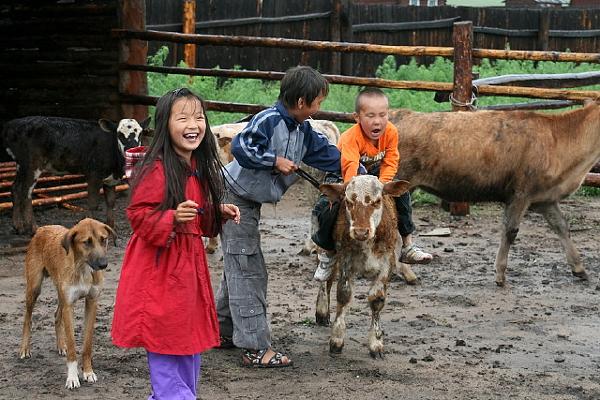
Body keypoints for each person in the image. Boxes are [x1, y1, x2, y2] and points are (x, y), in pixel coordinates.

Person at [111, 88, 240, 400]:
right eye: (182, 118)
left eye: (198, 117)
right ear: (165, 125)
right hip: (159, 272)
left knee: (187, 340)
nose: (192, 124)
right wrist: (170, 218)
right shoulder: (155, 168)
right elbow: (138, 215)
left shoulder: (197, 169)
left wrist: (214, 212)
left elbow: (198, 221)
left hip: (187, 271)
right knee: (166, 338)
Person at [216, 66, 341, 368]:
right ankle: (255, 348)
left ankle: (220, 330)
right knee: (249, 268)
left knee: (238, 261)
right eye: (318, 102)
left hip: (249, 200)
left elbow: (330, 155)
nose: (319, 108)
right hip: (233, 198)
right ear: (301, 102)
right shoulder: (268, 120)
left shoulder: (303, 131)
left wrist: (360, 171)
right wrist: (274, 161)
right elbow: (241, 146)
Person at [312, 87, 432, 282]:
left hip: (375, 176)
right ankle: (326, 253)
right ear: (357, 117)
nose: (378, 121)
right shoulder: (351, 138)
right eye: (370, 116)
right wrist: (352, 190)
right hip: (345, 175)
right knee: (326, 206)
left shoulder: (391, 132)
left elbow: (391, 159)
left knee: (402, 194)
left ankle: (408, 244)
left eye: (383, 115)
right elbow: (350, 164)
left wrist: (383, 186)